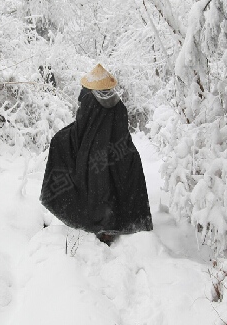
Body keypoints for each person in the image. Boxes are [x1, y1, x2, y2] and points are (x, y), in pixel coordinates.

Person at [40, 63, 153, 245]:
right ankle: (109, 223)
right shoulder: (119, 104)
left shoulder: (88, 99)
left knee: (65, 148)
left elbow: (81, 127)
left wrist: (64, 139)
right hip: (119, 152)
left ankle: (94, 219)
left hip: (92, 150)